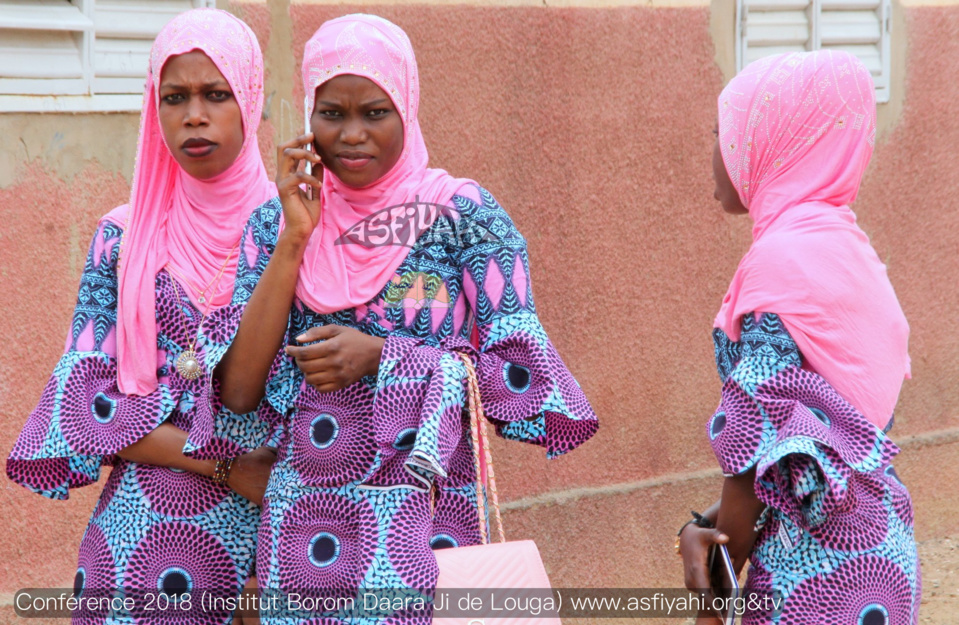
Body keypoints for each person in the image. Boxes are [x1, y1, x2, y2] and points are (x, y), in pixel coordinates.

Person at [209, 13, 598, 623]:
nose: (353, 135)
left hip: (426, 524)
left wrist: (383, 359)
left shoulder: (463, 215)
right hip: (306, 533)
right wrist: (295, 239)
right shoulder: (275, 223)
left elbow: (525, 380)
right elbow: (236, 392)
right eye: (331, 114)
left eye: (375, 112)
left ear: (408, 108)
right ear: (307, 119)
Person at [6, 8, 277, 624]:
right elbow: (86, 406)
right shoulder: (123, 238)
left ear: (252, 99)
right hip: (135, 550)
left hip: (277, 542)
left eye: (216, 94)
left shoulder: (294, 234)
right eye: (174, 97)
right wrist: (227, 466)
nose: (194, 116)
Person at [678, 50, 921, 624]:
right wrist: (709, 520)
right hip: (884, 557)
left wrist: (712, 603)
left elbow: (747, 453)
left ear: (775, 145)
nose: (717, 154)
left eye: (725, 135)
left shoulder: (778, 266)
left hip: (811, 576)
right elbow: (831, 445)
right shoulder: (853, 253)